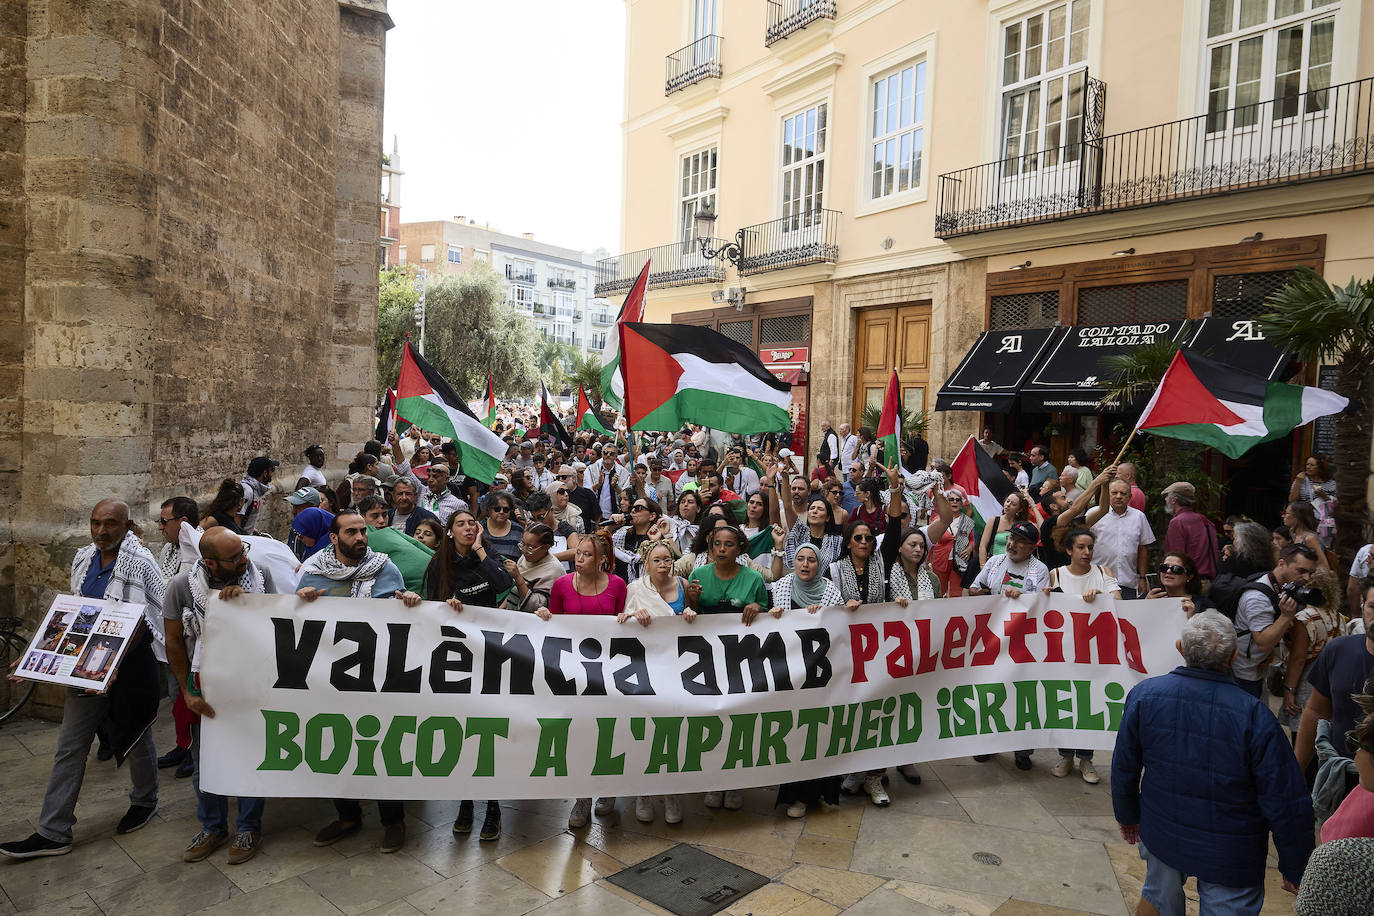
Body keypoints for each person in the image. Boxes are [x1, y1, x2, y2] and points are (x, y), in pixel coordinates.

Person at [1112, 610, 1313, 914]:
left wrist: (1127, 815)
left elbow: (1124, 765)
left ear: (1180, 648)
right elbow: (1285, 799)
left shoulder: (1145, 696)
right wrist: (1296, 864)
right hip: (1232, 853)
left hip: (1164, 833)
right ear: (1233, 658)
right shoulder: (1255, 716)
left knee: (1158, 897)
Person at [1, 500, 163, 859]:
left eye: (109, 524)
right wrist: (34, 657)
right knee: (70, 746)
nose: (101, 531)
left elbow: (142, 618)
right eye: (95, 523)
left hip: (130, 666)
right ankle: (54, 831)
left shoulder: (140, 563)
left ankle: (145, 800)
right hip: (85, 666)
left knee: (135, 732)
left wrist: (115, 663)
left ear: (127, 525)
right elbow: (74, 615)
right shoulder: (83, 559)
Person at [300, 514, 419, 854]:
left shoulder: (385, 569)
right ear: (334, 538)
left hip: (378, 679)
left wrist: (408, 602)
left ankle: (393, 820)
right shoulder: (312, 573)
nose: (360, 537)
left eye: (363, 531)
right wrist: (301, 602)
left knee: (383, 748)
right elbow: (291, 626)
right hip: (330, 682)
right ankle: (347, 816)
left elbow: (404, 617)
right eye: (351, 532)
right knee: (335, 747)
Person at [163, 527, 274, 865]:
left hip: (249, 684)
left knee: (250, 758)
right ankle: (212, 827)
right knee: (204, 763)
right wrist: (186, 691)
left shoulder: (261, 576)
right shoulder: (182, 587)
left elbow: (277, 625)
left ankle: (248, 827)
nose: (244, 560)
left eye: (244, 551)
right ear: (210, 562)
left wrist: (246, 606)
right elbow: (173, 642)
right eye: (235, 557)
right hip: (203, 689)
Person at [409, 508, 513, 840]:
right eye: (461, 525)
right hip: (455, 658)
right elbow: (429, 609)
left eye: (472, 523)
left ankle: (493, 806)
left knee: (488, 731)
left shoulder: (487, 555)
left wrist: (482, 548)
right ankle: (466, 802)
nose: (469, 528)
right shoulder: (439, 564)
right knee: (464, 730)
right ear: (450, 532)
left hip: (489, 655)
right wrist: (445, 608)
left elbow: (502, 585)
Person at [685, 523, 770, 811]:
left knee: (737, 719)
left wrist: (758, 608)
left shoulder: (754, 579)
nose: (721, 549)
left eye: (728, 544)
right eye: (717, 543)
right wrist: (692, 601)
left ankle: (735, 782)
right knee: (709, 718)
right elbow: (689, 618)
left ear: (740, 548)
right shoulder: (698, 575)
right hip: (707, 660)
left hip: (741, 660)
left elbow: (769, 619)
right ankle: (713, 781)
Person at [545, 534, 626, 828]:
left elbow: (624, 627)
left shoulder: (618, 585)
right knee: (579, 735)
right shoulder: (561, 585)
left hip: (608, 674)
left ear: (602, 559)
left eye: (587, 555)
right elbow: (552, 627)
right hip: (573, 674)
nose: (579, 559)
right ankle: (582, 798)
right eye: (578, 554)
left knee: (608, 732)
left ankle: (608, 791)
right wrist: (543, 615)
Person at [619, 540, 693, 825]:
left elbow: (694, 620)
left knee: (671, 732)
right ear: (646, 564)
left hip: (675, 670)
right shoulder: (635, 590)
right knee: (644, 731)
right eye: (657, 561)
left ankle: (671, 792)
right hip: (643, 670)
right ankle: (643, 792)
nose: (663, 565)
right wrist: (634, 617)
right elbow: (620, 624)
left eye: (667, 560)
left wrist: (689, 614)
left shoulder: (683, 585)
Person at [770, 542, 845, 818]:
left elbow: (840, 632)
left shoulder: (831, 592)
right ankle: (796, 797)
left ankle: (816, 794)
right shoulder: (781, 588)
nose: (804, 564)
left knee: (818, 734)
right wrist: (774, 616)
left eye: (811, 560)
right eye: (799, 559)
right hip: (790, 677)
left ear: (820, 564)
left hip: (821, 678)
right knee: (794, 736)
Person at [968, 521, 1049, 771]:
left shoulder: (1040, 569)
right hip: (993, 640)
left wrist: (1021, 599)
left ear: (1032, 547)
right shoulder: (994, 562)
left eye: (1020, 541)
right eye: (1010, 538)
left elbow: (1042, 605)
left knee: (1022, 696)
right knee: (990, 692)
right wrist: (983, 595)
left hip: (1024, 643)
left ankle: (1022, 749)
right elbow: (973, 589)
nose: (1012, 544)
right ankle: (986, 744)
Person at [1046, 528, 1121, 785]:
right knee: (1067, 701)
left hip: (1096, 654)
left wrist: (1101, 597)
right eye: (1081, 547)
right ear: (1069, 550)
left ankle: (1086, 758)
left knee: (1091, 703)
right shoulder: (1056, 575)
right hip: (1065, 651)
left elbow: (1118, 601)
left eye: (1090, 547)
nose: (1087, 552)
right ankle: (1066, 755)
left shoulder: (1103, 573)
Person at [1295, 577, 1374, 801]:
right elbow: (1316, 712)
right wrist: (1297, 768)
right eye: (1373, 606)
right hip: (1341, 783)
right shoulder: (1338, 650)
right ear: (1361, 604)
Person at [1231, 544, 1318, 698]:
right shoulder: (1257, 598)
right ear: (1281, 564)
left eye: (1311, 572)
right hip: (1244, 673)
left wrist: (1269, 653)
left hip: (1256, 667)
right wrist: (1286, 616)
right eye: (1301, 571)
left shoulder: (1279, 585)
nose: (1307, 578)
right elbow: (1263, 642)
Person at [1281, 569, 1343, 739]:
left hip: (1307, 681)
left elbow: (1298, 659)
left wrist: (1289, 691)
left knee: (1302, 733)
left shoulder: (1306, 618)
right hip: (1329, 680)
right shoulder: (1337, 617)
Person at [1090, 478, 1155, 599]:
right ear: (1107, 494)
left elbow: (1143, 548)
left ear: (1130, 496)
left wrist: (1142, 577)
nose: (1119, 496)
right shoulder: (1094, 514)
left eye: (1123, 493)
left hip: (1127, 582)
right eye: (1114, 493)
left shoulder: (1139, 517)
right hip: (1098, 582)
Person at [356, 496, 433, 594]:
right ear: (361, 518)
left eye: (384, 515)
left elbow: (418, 544)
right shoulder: (360, 539)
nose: (381, 520)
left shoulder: (391, 531)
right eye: (375, 516)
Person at [1161, 481, 1219, 583]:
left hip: (1186, 583)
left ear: (1173, 500)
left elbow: (1175, 558)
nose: (1165, 500)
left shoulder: (1177, 522)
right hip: (1207, 582)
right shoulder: (1205, 521)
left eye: (1167, 497)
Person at [928, 487, 975, 598]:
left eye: (957, 500)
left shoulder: (967, 521)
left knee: (956, 594)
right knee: (939, 593)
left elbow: (972, 540)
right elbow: (930, 540)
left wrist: (969, 549)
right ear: (946, 502)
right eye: (951, 499)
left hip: (959, 561)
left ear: (962, 503)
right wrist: (927, 561)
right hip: (940, 561)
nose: (954, 502)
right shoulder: (937, 519)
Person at [1143, 552, 1213, 618]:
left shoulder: (1203, 605)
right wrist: (1142, 606)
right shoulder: (1148, 598)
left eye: (1176, 569)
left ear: (1189, 576)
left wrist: (1193, 618)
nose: (1168, 571)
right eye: (1164, 567)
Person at [785, 494, 845, 569]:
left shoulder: (837, 542)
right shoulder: (800, 534)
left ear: (827, 518)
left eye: (820, 509)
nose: (815, 511)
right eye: (812, 508)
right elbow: (787, 506)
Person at [1289, 454, 1336, 546]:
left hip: (1323, 520)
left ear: (1320, 468)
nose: (1308, 467)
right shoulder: (1301, 480)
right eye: (1307, 464)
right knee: (1303, 543)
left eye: (1312, 465)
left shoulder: (1331, 483)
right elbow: (1292, 500)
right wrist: (1298, 481)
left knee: (1321, 545)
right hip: (1304, 518)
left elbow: (1336, 504)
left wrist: (1324, 496)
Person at [612, 497, 662, 581]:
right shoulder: (622, 534)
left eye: (639, 508)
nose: (632, 511)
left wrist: (654, 541)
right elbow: (601, 548)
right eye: (632, 508)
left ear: (652, 516)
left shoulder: (658, 538)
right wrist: (609, 527)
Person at [979, 491, 1030, 566]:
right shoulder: (994, 520)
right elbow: (983, 546)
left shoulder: (1022, 525)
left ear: (1020, 509)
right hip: (994, 564)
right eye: (1007, 501)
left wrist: (1033, 505)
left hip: (1014, 565)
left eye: (1013, 504)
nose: (1008, 505)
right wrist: (983, 566)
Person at [1282, 501, 1331, 571]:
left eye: (1286, 513)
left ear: (1297, 517)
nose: (1283, 516)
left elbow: (1324, 567)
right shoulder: (1294, 535)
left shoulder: (1310, 539)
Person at [239, 456, 278, 535]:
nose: (272, 474)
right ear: (265, 473)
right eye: (272, 470)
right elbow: (236, 521)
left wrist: (251, 529)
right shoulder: (247, 491)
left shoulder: (255, 490)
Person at [482, 491, 525, 562]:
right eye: (497, 509)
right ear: (489, 509)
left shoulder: (518, 530)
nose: (501, 512)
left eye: (505, 509)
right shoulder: (480, 528)